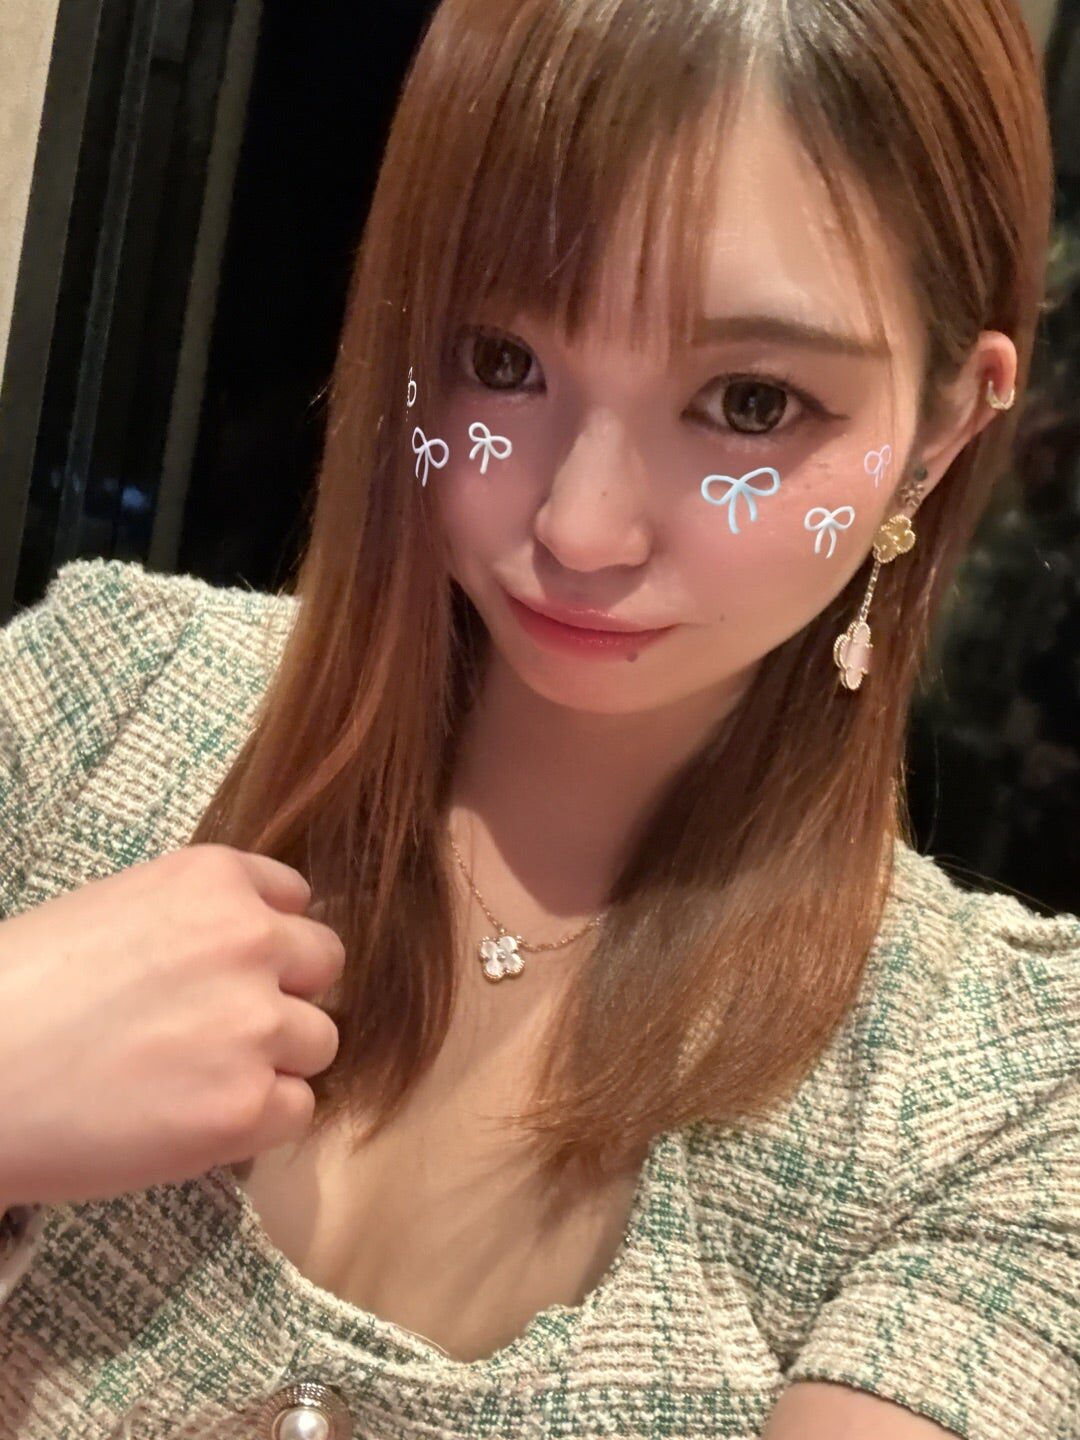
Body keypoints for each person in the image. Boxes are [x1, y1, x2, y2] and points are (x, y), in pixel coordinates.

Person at [0, 0, 1076, 1436]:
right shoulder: (96, 712)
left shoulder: (993, 1098)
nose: (580, 526)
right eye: (502, 361)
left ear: (941, 430)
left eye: (752, 402)